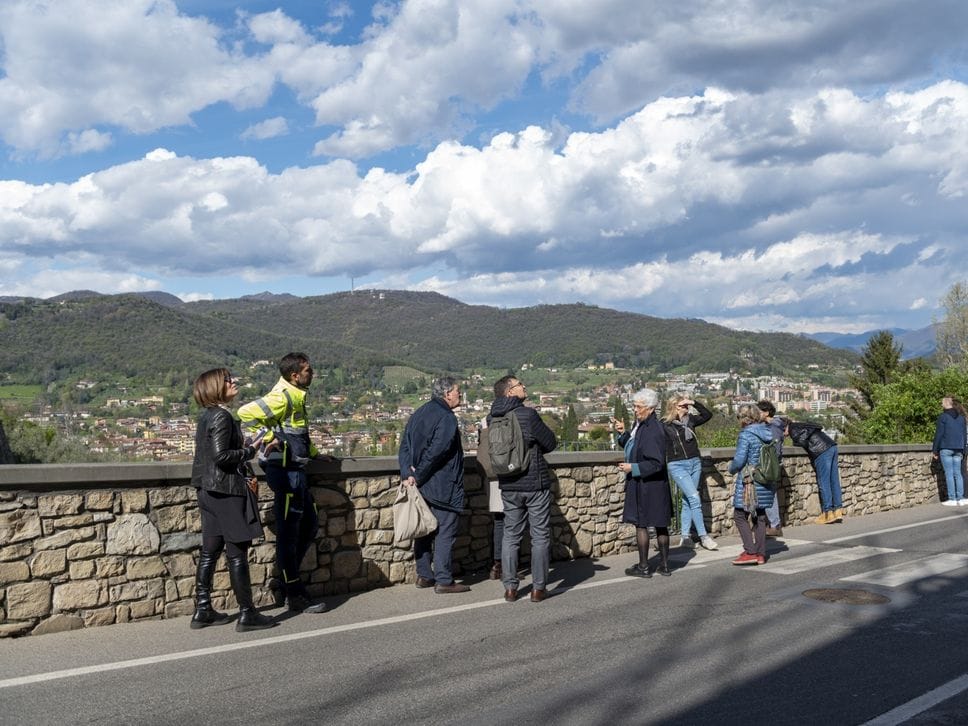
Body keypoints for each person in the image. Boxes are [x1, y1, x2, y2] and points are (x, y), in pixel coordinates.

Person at [238, 352, 329, 614]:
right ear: (295, 375)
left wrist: (313, 454)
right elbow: (245, 413)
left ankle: (287, 580)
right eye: (308, 370)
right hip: (285, 473)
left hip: (297, 470)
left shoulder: (296, 397)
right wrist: (269, 435)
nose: (312, 374)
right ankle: (293, 592)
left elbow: (298, 431)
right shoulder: (282, 396)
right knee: (289, 534)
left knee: (309, 526)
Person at [190, 368, 275, 632]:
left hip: (207, 490)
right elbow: (221, 456)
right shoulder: (223, 416)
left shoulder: (207, 417)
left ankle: (202, 609)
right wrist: (252, 448)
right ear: (217, 386)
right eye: (228, 380)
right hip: (226, 491)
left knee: (210, 551)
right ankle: (247, 613)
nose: (233, 382)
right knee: (236, 553)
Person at [489, 375, 558, 602]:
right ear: (510, 392)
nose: (524, 386)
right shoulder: (527, 415)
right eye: (520, 385)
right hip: (534, 482)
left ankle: (510, 587)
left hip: (509, 483)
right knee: (539, 536)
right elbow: (550, 442)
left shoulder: (493, 417)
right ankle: (538, 588)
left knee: (511, 535)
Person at [398, 376, 469, 594]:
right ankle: (444, 580)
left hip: (423, 485)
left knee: (424, 530)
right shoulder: (446, 417)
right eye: (457, 391)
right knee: (445, 530)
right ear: (447, 393)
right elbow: (437, 451)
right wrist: (418, 474)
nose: (460, 394)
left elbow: (405, 446)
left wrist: (407, 472)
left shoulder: (419, 413)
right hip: (443, 483)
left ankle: (424, 576)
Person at [616, 388, 673, 578]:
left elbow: (656, 462)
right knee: (660, 523)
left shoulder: (653, 429)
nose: (634, 410)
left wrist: (634, 468)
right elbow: (634, 447)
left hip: (647, 484)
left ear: (650, 408)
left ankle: (643, 566)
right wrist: (622, 433)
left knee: (642, 524)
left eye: (638, 407)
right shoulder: (642, 425)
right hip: (656, 484)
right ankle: (664, 565)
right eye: (634, 406)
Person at [661, 396, 718, 551]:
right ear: (674, 406)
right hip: (677, 465)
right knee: (694, 498)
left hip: (695, 462)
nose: (686, 407)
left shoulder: (690, 420)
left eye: (687, 405)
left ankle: (685, 537)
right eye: (683, 405)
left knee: (687, 500)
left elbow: (707, 415)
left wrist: (694, 402)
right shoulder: (664, 425)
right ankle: (704, 537)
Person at [727, 404, 775, 565]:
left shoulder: (746, 435)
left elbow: (740, 460)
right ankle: (761, 554)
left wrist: (731, 469)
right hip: (765, 478)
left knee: (740, 515)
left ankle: (750, 551)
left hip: (750, 480)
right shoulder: (767, 432)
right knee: (760, 516)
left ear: (743, 419)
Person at [786, 419, 844, 524]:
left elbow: (802, 440)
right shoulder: (802, 424)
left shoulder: (792, 429)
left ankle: (828, 513)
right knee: (834, 480)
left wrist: (796, 443)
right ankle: (838, 510)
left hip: (821, 450)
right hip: (831, 446)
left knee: (824, 482)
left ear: (785, 426)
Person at [476, 417, 505, 580]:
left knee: (499, 522)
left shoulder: (486, 422)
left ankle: (497, 564)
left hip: (492, 479)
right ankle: (502, 564)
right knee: (507, 522)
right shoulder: (506, 419)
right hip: (504, 476)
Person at [756, 400, 786, 537]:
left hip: (770, 465)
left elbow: (775, 448)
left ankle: (774, 525)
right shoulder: (775, 425)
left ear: (767, 413)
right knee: (768, 494)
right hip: (772, 464)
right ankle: (770, 524)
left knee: (769, 494)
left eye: (759, 412)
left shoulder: (773, 428)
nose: (757, 414)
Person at [932, 395, 967, 506]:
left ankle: (952, 498)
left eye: (942, 403)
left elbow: (939, 434)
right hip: (959, 448)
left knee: (949, 474)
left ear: (947, 403)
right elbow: (964, 435)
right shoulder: (961, 418)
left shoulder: (943, 417)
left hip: (946, 448)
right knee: (958, 473)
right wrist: (964, 449)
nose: (941, 404)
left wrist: (935, 450)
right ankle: (960, 498)